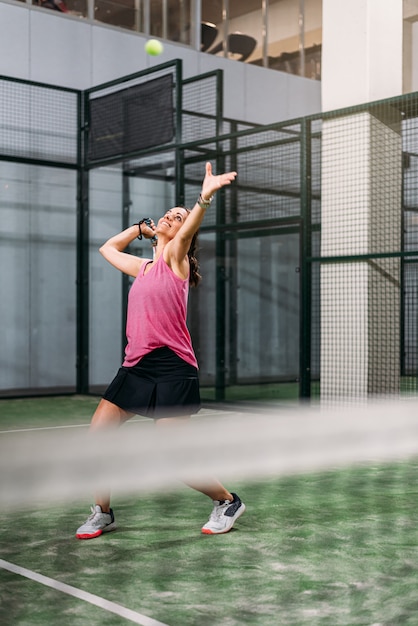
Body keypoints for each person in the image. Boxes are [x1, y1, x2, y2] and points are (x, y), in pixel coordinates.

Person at [76, 162, 245, 539]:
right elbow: (108, 247)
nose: (172, 216)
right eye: (169, 213)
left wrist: (204, 197)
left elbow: (185, 235)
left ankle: (227, 500)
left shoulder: (175, 261)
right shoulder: (145, 266)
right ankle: (102, 512)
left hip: (173, 367)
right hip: (135, 366)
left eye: (178, 216)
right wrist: (139, 228)